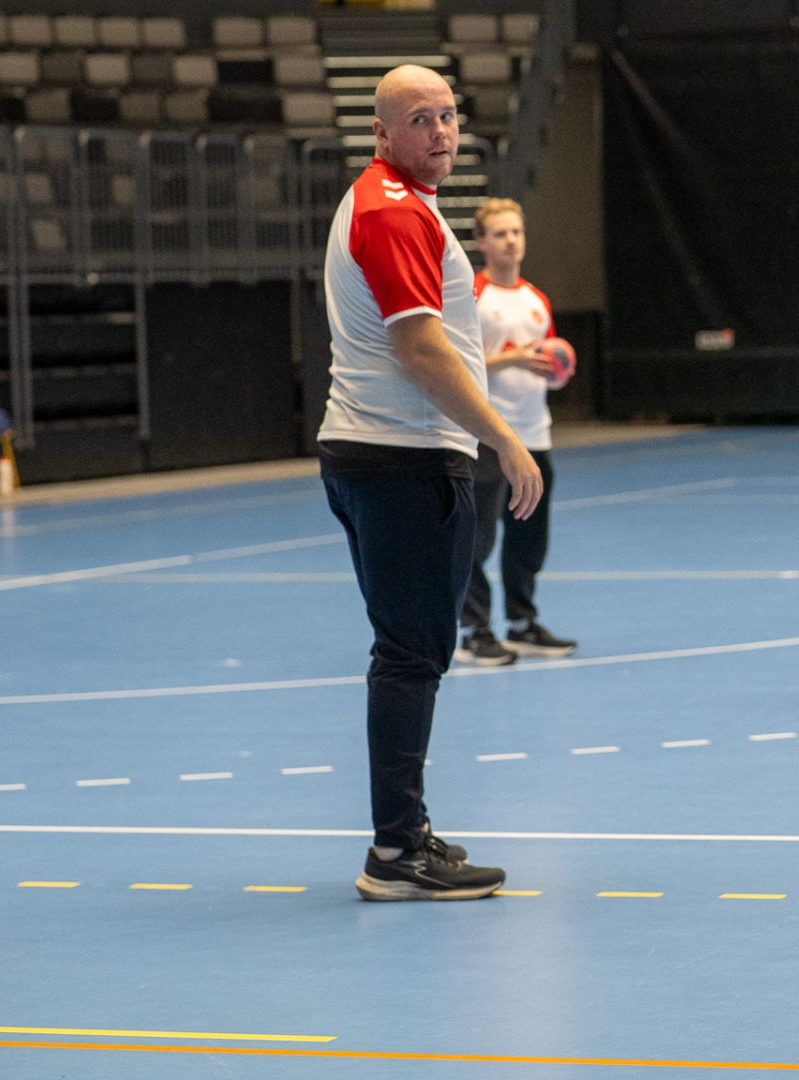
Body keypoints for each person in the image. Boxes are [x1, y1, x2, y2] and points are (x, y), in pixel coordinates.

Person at [318, 65, 542, 901]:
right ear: (383, 131)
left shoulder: (394, 204)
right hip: (403, 458)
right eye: (421, 119)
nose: (441, 132)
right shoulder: (390, 211)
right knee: (411, 654)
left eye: (449, 116)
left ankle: (404, 835)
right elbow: (419, 350)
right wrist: (504, 441)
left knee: (410, 651)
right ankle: (395, 853)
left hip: (380, 455)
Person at [454, 197, 578, 666]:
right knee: (478, 536)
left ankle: (522, 621)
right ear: (482, 242)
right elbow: (457, 369)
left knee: (530, 535)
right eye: (501, 233)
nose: (512, 241)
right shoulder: (473, 297)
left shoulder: (536, 299)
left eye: (517, 232)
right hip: (488, 435)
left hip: (534, 433)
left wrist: (553, 371)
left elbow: (543, 365)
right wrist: (511, 358)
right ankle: (474, 629)